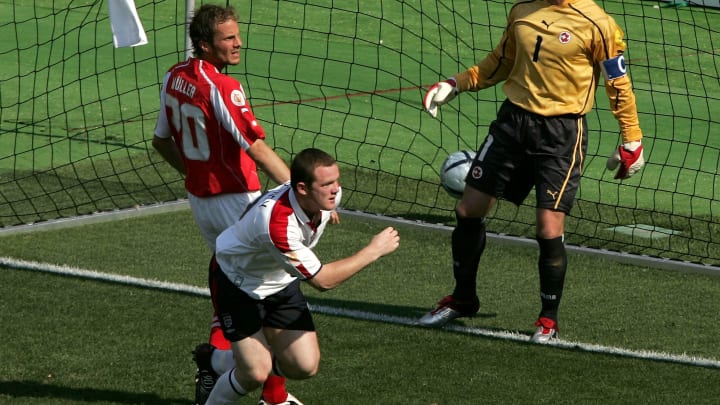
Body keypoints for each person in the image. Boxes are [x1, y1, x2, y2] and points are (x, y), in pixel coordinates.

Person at [419, 0, 645, 343]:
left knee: (548, 229)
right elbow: (501, 62)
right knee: (468, 210)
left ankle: (548, 320)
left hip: (562, 135)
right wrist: (457, 82)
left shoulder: (598, 23)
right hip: (512, 123)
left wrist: (632, 139)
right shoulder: (523, 9)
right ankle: (463, 299)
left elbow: (618, 84)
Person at [152, 4, 336, 405]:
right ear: (204, 44)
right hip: (238, 199)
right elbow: (256, 149)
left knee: (239, 279)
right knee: (262, 285)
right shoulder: (222, 85)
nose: (238, 43)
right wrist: (303, 193)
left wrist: (192, 174)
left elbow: (160, 141)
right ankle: (273, 393)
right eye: (228, 38)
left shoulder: (173, 77)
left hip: (201, 201)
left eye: (237, 34)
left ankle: (219, 364)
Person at [197, 148, 399, 404]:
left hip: (280, 280)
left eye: (337, 181)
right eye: (327, 184)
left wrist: (325, 205)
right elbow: (323, 281)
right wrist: (373, 251)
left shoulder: (322, 196)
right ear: (303, 189)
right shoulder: (277, 224)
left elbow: (298, 186)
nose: (336, 190)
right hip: (237, 283)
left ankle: (214, 360)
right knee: (254, 373)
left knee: (304, 366)